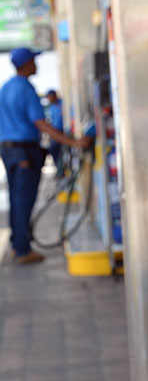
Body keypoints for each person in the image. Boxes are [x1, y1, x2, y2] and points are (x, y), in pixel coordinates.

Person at [0, 48, 91, 264]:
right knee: (23, 200)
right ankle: (22, 250)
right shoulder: (26, 88)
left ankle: (17, 244)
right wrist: (73, 142)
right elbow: (40, 123)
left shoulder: (5, 88)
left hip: (8, 150)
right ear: (26, 64)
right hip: (24, 151)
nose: (37, 65)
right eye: (34, 61)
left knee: (16, 199)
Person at [44, 89, 64, 167]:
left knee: (56, 148)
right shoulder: (51, 106)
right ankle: (59, 167)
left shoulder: (62, 104)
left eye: (49, 97)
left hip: (61, 131)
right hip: (54, 132)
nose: (48, 99)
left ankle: (61, 167)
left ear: (53, 96)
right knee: (53, 149)